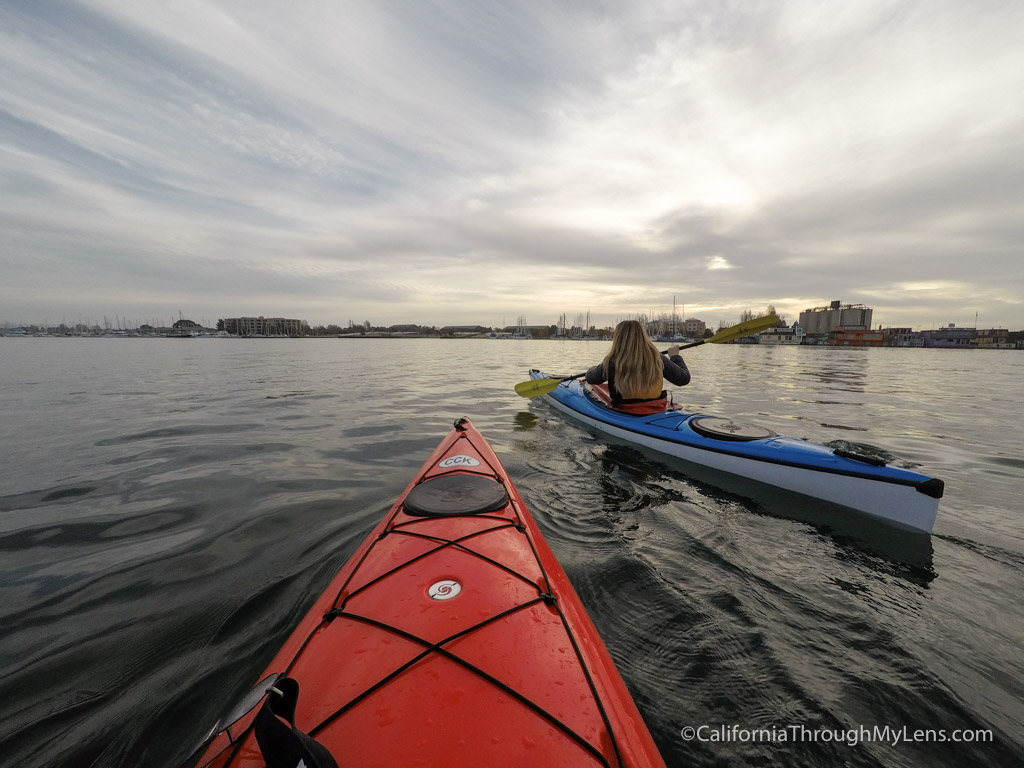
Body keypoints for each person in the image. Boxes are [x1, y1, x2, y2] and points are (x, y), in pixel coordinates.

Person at [585, 320, 690, 414]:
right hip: (657, 408)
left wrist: (593, 368)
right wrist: (675, 356)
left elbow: (591, 378)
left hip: (625, 409)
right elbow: (683, 379)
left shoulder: (614, 361)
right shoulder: (657, 358)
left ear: (618, 338)